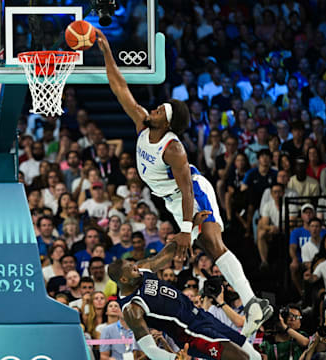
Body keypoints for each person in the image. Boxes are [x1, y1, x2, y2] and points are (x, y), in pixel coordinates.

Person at [96, 29, 272, 337]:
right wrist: (107, 53)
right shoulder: (142, 123)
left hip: (192, 191)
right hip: (172, 199)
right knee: (205, 244)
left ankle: (253, 302)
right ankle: (253, 302)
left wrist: (187, 228)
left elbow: (188, 188)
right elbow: (119, 87)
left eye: (159, 110)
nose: (152, 109)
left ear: (166, 122)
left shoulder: (173, 148)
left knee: (212, 243)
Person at [107, 243, 261, 360]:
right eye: (131, 269)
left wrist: (186, 232)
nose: (136, 267)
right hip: (192, 333)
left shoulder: (142, 270)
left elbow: (165, 255)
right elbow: (148, 349)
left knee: (255, 356)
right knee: (242, 358)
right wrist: (173, 358)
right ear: (123, 279)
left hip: (201, 316)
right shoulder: (132, 308)